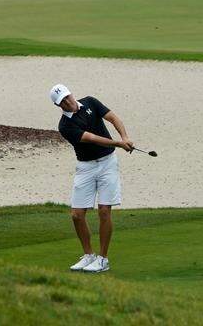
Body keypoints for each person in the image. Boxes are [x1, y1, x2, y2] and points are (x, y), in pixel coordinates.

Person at [49, 83, 134, 274]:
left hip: (108, 164)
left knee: (104, 211)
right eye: (62, 101)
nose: (67, 102)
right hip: (86, 167)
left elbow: (112, 117)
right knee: (77, 215)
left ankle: (103, 259)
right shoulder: (65, 126)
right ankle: (89, 255)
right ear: (58, 106)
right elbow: (92, 138)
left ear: (71, 94)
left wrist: (125, 136)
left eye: (67, 97)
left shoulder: (90, 102)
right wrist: (119, 144)